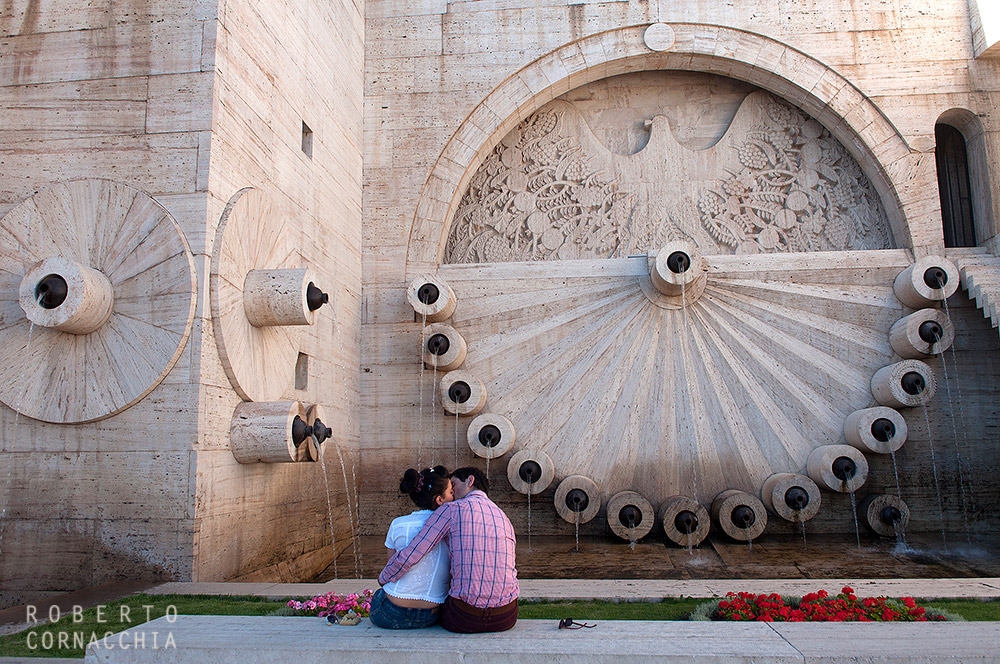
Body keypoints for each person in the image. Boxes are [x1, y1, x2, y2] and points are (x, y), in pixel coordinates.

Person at [378, 466, 519, 633]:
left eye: (454, 485)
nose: (452, 492)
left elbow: (414, 553)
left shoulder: (452, 509)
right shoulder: (503, 517)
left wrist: (384, 577)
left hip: (464, 618)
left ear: (470, 481)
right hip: (507, 617)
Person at [366, 465, 453, 629]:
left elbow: (392, 566)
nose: (454, 496)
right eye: (451, 492)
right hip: (430, 615)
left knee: (379, 595)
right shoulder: (451, 528)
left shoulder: (397, 524)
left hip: (390, 613)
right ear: (439, 500)